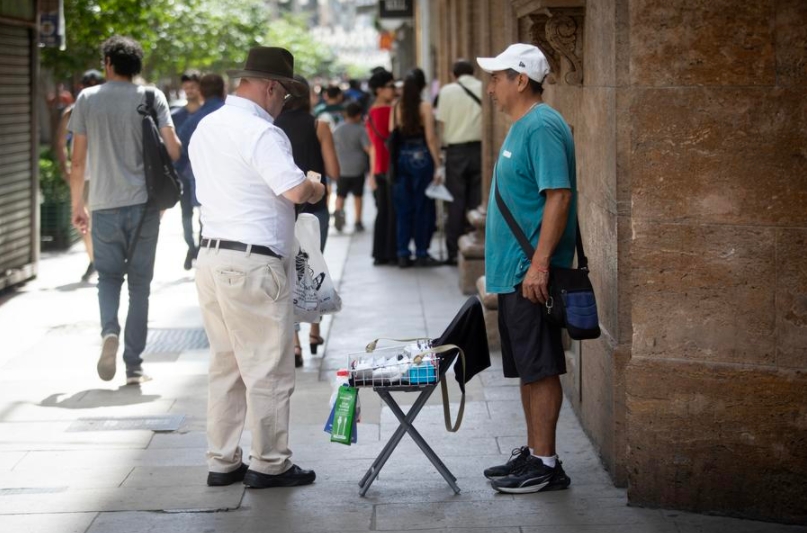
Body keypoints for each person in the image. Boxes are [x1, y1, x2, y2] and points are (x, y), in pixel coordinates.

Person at [189, 46, 325, 489]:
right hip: (253, 264)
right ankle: (270, 463)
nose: (282, 104)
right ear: (271, 87)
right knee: (267, 366)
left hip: (211, 257)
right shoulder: (261, 133)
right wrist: (314, 186)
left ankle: (223, 460)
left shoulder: (207, 126)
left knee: (226, 365)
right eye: (284, 96)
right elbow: (291, 190)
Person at [476, 43, 576, 494]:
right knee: (527, 369)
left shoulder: (541, 126)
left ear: (520, 79)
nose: (491, 86)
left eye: (497, 77)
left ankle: (548, 463)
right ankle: (535, 453)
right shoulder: (523, 126)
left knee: (540, 367)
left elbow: (559, 195)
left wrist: (539, 265)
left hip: (529, 272)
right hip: (513, 271)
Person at [68, 36, 181, 385]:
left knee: (108, 278)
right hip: (145, 205)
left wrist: (78, 204)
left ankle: (109, 332)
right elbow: (173, 150)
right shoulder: (152, 97)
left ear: (108, 63)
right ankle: (134, 366)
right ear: (136, 66)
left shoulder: (87, 99)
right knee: (140, 286)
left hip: (103, 205)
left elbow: (78, 160)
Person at [274, 74, 340, 367]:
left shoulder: (271, 128)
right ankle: (315, 331)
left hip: (284, 208)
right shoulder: (320, 126)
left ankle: (295, 343)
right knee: (313, 264)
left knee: (288, 272)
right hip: (316, 209)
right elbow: (334, 169)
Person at [389, 69, 442, 268]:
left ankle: (403, 253)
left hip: (401, 158)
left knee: (403, 209)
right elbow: (430, 137)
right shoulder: (425, 107)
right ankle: (421, 253)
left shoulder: (396, 107)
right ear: (421, 87)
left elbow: (390, 134)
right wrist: (438, 164)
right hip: (421, 159)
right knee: (423, 207)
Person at [175, 72, 227, 267]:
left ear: (201, 92)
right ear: (223, 90)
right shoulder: (230, 113)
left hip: (197, 177)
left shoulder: (193, 120)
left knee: (200, 216)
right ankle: (203, 251)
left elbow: (180, 145)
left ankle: (199, 252)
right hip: (225, 178)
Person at [57, 69, 104, 282]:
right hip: (85, 175)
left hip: (99, 175)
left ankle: (98, 260)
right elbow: (59, 142)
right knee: (86, 222)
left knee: (91, 222)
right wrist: (65, 166)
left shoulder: (104, 110)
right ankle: (95, 259)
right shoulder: (71, 111)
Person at [436, 59, 483, 266]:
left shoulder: (447, 91)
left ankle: (453, 251)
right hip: (479, 150)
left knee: (455, 202)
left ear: (454, 75)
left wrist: (439, 152)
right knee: (476, 200)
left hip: (455, 151)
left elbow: (442, 123)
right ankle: (476, 244)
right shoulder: (482, 87)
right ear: (473, 72)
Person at [366, 69, 398, 266]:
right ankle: (390, 251)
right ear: (379, 90)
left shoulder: (370, 112)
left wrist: (371, 172)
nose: (394, 90)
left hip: (379, 167)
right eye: (390, 86)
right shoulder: (387, 111)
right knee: (391, 210)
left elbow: (372, 147)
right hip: (389, 166)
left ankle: (380, 253)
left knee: (383, 211)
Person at [172, 70, 204, 270]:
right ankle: (190, 247)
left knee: (204, 214)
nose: (189, 91)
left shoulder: (208, 112)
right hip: (183, 172)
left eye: (192, 87)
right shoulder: (176, 115)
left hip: (204, 173)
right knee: (185, 213)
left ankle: (200, 247)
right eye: (186, 88)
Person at [333, 101, 371, 233]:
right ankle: (358, 221)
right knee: (358, 195)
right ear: (358, 115)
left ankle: (338, 214)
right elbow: (368, 149)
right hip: (357, 168)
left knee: (340, 195)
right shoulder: (360, 130)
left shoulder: (337, 129)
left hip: (341, 168)